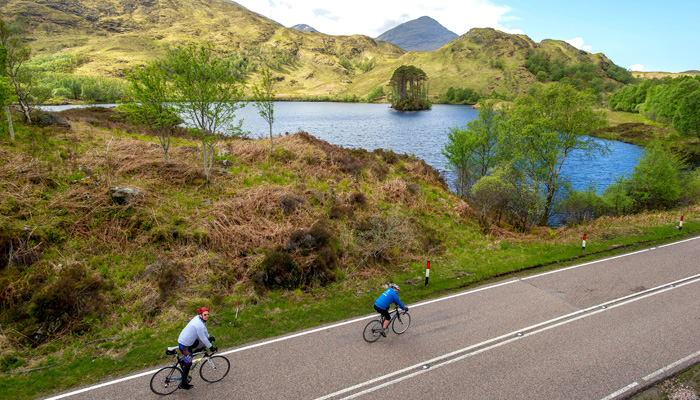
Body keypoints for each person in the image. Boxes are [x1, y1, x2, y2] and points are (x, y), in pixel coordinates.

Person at [177, 307, 217, 390]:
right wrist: (211, 348)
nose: (207, 316)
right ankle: (183, 384)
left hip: (189, 340)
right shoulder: (198, 325)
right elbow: (203, 338)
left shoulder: (199, 319)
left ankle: (189, 356)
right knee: (188, 364)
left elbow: (204, 331)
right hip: (185, 345)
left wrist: (209, 337)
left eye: (208, 314)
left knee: (201, 345)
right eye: (205, 314)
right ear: (201, 315)